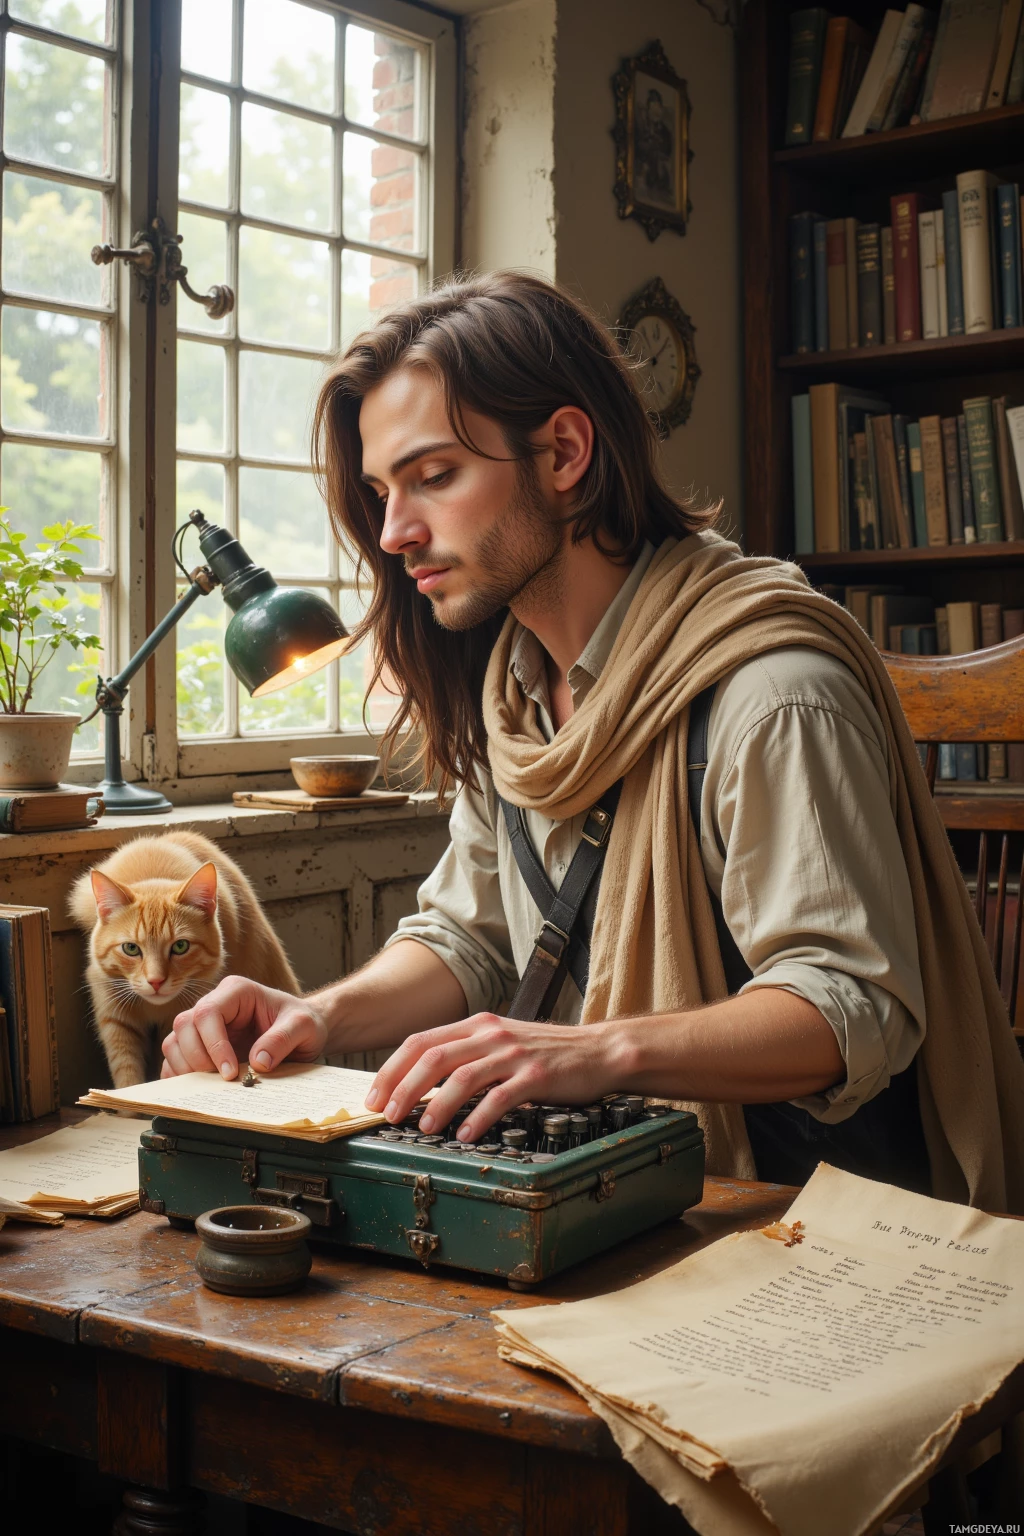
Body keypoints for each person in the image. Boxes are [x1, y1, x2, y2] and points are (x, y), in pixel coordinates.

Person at [164, 272, 1024, 1210]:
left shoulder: (772, 696)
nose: (397, 531)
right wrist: (314, 1015)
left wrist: (590, 1051)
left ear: (565, 451)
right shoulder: (513, 690)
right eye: (381, 492)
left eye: (435, 476)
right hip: (609, 1194)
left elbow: (851, 1009)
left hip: (793, 1217)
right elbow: (469, 937)